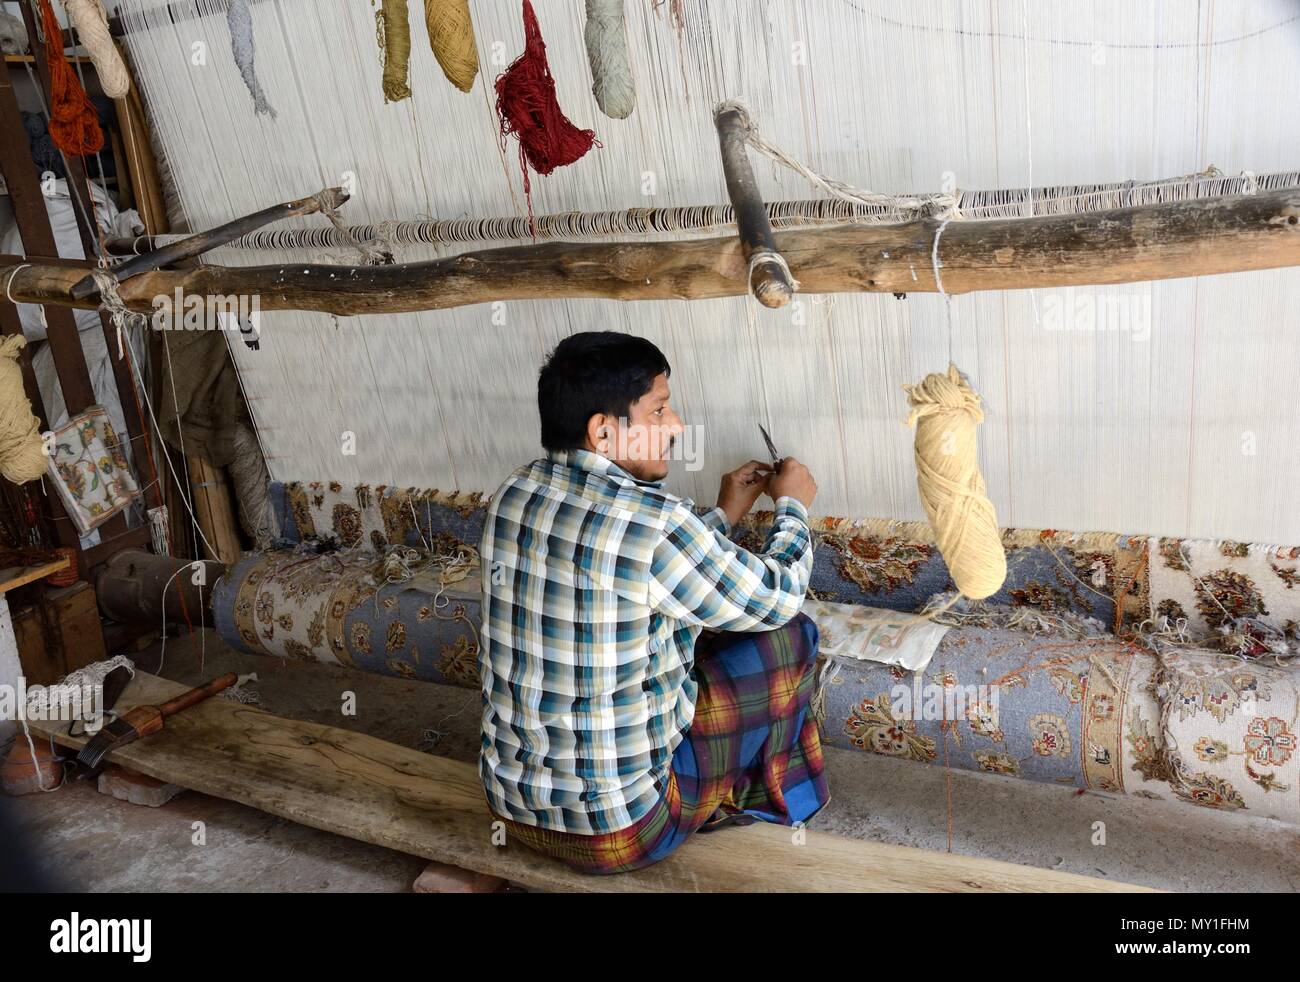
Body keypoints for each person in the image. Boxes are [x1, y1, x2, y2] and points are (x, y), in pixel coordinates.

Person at [477, 330, 828, 874]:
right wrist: (792, 508)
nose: (677, 427)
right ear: (603, 431)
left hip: (512, 810)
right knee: (790, 635)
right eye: (659, 410)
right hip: (627, 830)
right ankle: (768, 800)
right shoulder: (655, 525)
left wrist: (722, 515)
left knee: (701, 634)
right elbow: (777, 597)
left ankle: (748, 794)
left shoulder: (514, 493)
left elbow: (632, 566)